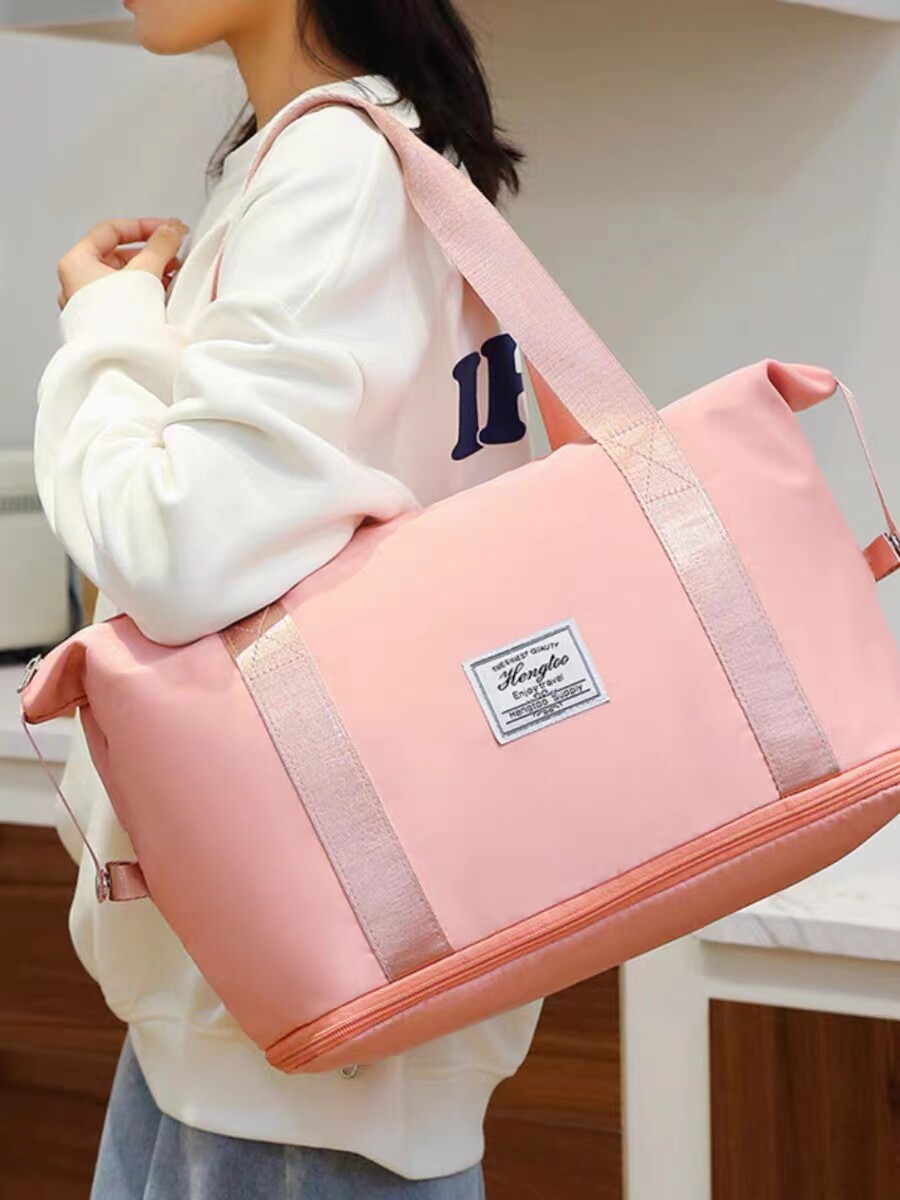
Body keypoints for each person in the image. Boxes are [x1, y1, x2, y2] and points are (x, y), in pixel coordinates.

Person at [33, 2, 545, 1197]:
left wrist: (105, 326)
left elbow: (171, 549)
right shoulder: (340, 156)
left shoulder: (332, 171)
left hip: (304, 1043)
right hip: (269, 1013)